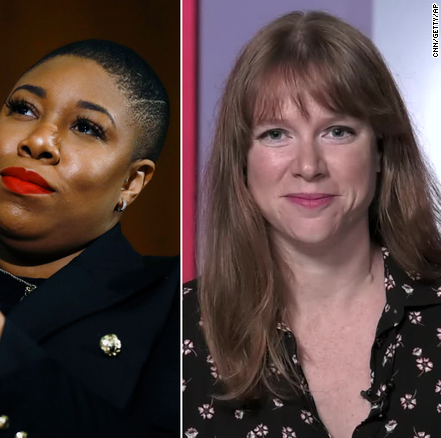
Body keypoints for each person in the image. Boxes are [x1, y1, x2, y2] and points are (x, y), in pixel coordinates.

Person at [183, 11, 441, 438]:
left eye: (337, 131)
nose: (308, 166)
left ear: (380, 152)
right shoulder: (177, 333)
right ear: (242, 162)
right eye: (275, 134)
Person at [0, 39, 179, 437]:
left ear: (130, 182)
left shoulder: (179, 301)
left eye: (87, 128)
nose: (39, 141)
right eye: (24, 109)